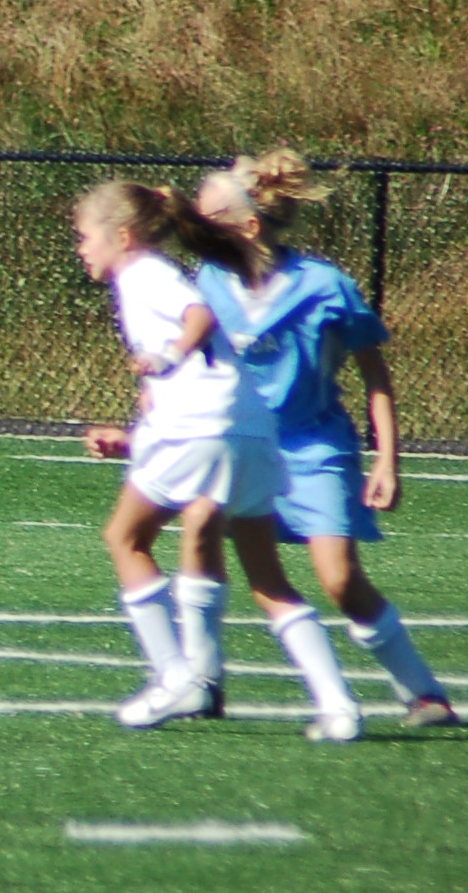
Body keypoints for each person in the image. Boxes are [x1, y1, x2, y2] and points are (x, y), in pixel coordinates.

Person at [71, 181, 363, 742]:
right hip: (247, 428)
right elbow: (188, 382)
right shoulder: (148, 277)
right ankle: (339, 706)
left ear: (122, 237)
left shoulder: (144, 273)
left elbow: (199, 316)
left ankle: (176, 677)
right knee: (267, 578)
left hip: (200, 429)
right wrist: (134, 437)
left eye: (85, 237)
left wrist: (169, 354)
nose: (81, 248)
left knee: (125, 538)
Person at [189, 150, 457, 729]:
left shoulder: (324, 285)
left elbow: (375, 376)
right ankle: (203, 681)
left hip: (314, 448)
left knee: (340, 580)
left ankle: (423, 693)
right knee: (203, 538)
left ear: (248, 226)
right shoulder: (208, 281)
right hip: (241, 445)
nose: (197, 233)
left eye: (208, 221)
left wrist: (387, 461)